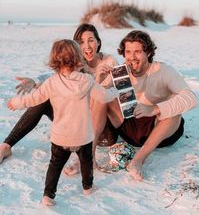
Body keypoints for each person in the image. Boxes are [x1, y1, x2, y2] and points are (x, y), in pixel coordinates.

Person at [7, 39, 118, 206]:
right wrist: (115, 91)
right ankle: (87, 187)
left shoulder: (52, 82)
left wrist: (16, 103)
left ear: (55, 62)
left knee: (55, 165)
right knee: (86, 161)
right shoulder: (86, 80)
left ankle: (48, 195)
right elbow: (103, 97)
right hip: (83, 136)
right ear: (79, 60)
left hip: (60, 137)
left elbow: (33, 99)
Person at [0, 24, 118, 172]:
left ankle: (87, 158)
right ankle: (6, 146)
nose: (87, 46)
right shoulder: (76, 62)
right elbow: (54, 78)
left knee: (98, 100)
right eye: (81, 42)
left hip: (102, 132)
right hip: (77, 125)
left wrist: (99, 77)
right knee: (42, 100)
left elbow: (104, 97)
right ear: (75, 46)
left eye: (91, 40)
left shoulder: (109, 63)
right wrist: (35, 81)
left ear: (98, 42)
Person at [91, 30, 198, 180]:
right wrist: (98, 80)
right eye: (128, 51)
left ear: (148, 52)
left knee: (174, 112)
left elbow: (191, 98)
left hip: (158, 129)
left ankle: (137, 161)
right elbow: (93, 101)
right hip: (129, 125)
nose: (132, 57)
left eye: (138, 51)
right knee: (103, 96)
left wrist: (154, 109)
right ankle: (88, 156)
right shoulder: (121, 71)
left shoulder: (163, 70)